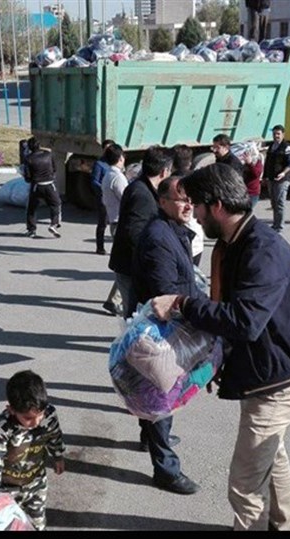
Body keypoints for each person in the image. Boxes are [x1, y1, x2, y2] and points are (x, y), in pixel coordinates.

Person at [151, 164, 290, 530]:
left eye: (196, 205)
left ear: (216, 206)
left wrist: (182, 304)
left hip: (278, 382)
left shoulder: (262, 250)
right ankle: (285, 526)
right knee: (271, 457)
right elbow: (235, 316)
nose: (193, 214)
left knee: (244, 485)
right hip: (268, 371)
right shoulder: (235, 243)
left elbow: (244, 321)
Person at [131, 176, 202, 496]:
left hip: (161, 329)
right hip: (160, 332)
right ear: (162, 202)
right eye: (180, 199)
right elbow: (164, 295)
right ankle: (166, 469)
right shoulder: (160, 237)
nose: (188, 204)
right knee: (163, 397)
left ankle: (150, 436)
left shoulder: (172, 229)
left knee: (153, 394)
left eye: (191, 199)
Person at [0, 370, 66, 531]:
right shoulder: (1, 429)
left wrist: (58, 455)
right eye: (28, 418)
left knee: (38, 523)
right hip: (6, 489)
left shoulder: (49, 415)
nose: (35, 422)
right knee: (8, 524)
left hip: (36, 483)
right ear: (11, 409)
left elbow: (55, 435)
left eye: (39, 415)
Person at [108, 147, 173, 318]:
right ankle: (129, 345)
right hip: (131, 267)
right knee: (135, 317)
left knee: (136, 315)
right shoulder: (142, 194)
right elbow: (134, 232)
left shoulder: (141, 186)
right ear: (165, 171)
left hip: (130, 264)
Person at [100, 143, 128, 315]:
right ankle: (114, 300)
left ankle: (116, 299)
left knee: (125, 264)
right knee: (126, 265)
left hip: (114, 220)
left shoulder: (107, 175)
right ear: (121, 158)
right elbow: (128, 199)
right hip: (121, 222)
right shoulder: (117, 177)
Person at [171, 144, 205, 266]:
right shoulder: (199, 181)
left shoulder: (169, 184)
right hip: (196, 238)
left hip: (176, 240)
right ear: (190, 162)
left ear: (172, 164)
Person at [23, 137, 62, 238]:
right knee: (56, 204)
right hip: (50, 184)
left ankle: (31, 230)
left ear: (30, 147)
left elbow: (27, 177)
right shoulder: (48, 154)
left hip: (37, 186)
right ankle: (53, 224)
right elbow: (54, 168)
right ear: (39, 145)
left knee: (32, 209)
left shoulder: (28, 158)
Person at [262, 124, 290, 233]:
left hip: (282, 180)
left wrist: (283, 173)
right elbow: (267, 162)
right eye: (274, 134)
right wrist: (265, 176)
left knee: (280, 202)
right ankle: (275, 224)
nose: (276, 136)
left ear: (283, 134)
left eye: (278, 134)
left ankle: (279, 226)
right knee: (274, 202)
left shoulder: (287, 147)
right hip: (271, 178)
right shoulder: (272, 146)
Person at [91, 140, 115, 254]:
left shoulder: (116, 163)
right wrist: (105, 189)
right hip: (104, 198)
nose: (108, 150)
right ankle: (100, 247)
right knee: (103, 223)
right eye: (106, 148)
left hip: (115, 198)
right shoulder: (99, 164)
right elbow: (95, 181)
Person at [241, 142, 263, 208]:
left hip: (253, 193)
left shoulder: (258, 162)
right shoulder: (244, 163)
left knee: (248, 212)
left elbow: (256, 174)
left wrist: (250, 163)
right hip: (243, 192)